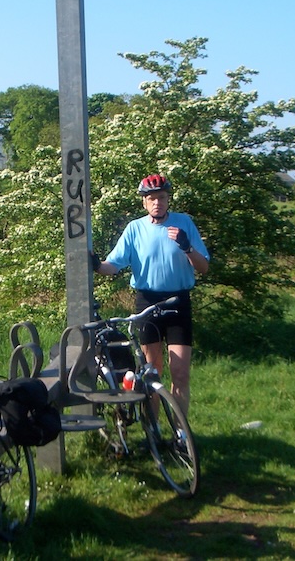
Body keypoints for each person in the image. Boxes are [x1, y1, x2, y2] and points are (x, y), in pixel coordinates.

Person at [92, 174, 209, 417]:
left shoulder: (184, 223)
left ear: (168, 199)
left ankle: (181, 432)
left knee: (180, 373)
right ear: (144, 202)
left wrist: (187, 247)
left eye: (162, 197)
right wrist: (96, 265)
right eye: (152, 198)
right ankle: (153, 428)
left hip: (178, 302)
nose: (157, 203)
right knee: (152, 372)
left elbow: (203, 267)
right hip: (147, 302)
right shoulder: (135, 228)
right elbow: (114, 265)